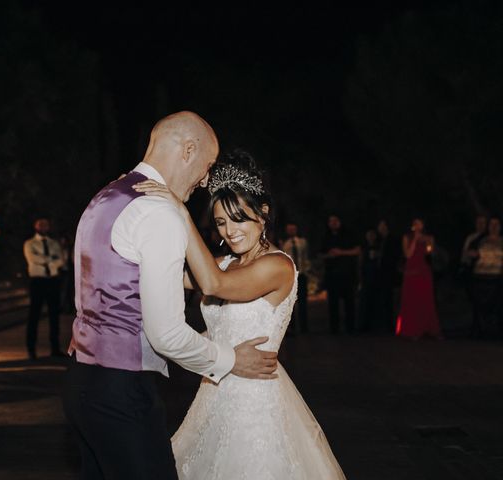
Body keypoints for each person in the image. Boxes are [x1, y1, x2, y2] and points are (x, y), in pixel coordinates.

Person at [63, 112, 278, 480]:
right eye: (207, 165)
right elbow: (167, 334)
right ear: (188, 150)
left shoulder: (106, 196)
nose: (206, 179)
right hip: (122, 391)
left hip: (81, 383)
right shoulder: (159, 212)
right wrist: (228, 359)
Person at [134, 149, 346, 479]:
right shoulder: (226, 264)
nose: (229, 231)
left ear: (263, 212)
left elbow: (213, 284)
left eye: (239, 218)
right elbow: (171, 275)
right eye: (220, 222)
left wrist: (180, 212)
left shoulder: (278, 266)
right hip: (213, 391)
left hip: (253, 403)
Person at [23, 217, 65, 359]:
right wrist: (50, 260)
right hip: (38, 281)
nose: (43, 226)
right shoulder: (29, 244)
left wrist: (46, 260)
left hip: (52, 280)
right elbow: (33, 259)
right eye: (40, 224)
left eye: (45, 224)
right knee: (34, 315)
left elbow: (61, 260)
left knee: (54, 316)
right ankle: (31, 349)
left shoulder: (54, 243)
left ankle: (55, 348)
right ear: (35, 226)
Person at [396, 217, 441, 339]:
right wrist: (415, 240)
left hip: (424, 271)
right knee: (411, 300)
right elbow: (408, 254)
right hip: (411, 271)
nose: (417, 226)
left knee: (425, 300)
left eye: (419, 223)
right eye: (415, 223)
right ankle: (411, 329)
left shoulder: (428, 237)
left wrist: (429, 245)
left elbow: (430, 253)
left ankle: (427, 329)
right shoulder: (407, 237)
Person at [320, 215, 361, 334]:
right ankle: (334, 329)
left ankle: (350, 328)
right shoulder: (326, 237)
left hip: (347, 274)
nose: (333, 223)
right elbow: (320, 254)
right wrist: (330, 255)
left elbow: (357, 250)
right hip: (332, 275)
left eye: (335, 221)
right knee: (333, 303)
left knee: (350, 302)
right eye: (331, 221)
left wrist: (341, 253)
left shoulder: (349, 235)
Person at [469, 216, 503, 338]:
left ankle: (495, 331)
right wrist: (473, 254)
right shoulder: (480, 240)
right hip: (481, 277)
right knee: (480, 306)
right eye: (491, 224)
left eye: (496, 224)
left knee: (498, 306)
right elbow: (470, 251)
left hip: (497, 278)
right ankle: (480, 331)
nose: (494, 227)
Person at [281, 221, 310, 334]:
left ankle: (304, 327)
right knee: (290, 303)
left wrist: (306, 270)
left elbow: (305, 256)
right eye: (289, 229)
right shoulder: (284, 243)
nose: (292, 231)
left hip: (301, 274)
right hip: (290, 275)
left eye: (293, 229)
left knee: (303, 302)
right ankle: (291, 328)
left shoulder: (302, 242)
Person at [376, 219, 401, 332]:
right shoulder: (381, 240)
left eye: (381, 225)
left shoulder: (392, 239)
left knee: (389, 299)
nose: (379, 228)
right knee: (384, 299)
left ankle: (390, 325)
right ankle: (384, 323)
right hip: (382, 273)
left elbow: (394, 256)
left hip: (389, 273)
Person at [358, 228, 382, 332]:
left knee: (375, 301)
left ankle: (375, 324)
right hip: (366, 276)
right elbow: (360, 264)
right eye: (369, 235)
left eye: (372, 235)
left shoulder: (379, 247)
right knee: (365, 301)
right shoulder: (364, 248)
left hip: (376, 277)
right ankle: (364, 324)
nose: (371, 237)